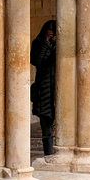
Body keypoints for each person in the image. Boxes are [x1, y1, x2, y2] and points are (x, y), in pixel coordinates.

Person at [31, 20, 57, 156]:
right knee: (46, 130)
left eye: (54, 30)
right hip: (44, 92)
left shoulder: (60, 45)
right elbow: (36, 61)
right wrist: (46, 42)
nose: (51, 32)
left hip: (58, 92)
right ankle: (49, 155)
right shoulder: (39, 43)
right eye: (49, 29)